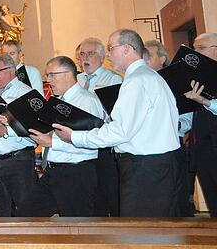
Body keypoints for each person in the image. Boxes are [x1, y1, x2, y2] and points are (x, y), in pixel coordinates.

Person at [53, 29, 180, 217]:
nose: (109, 55)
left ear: (127, 49)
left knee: (141, 232)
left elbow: (120, 131)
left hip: (145, 167)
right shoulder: (150, 76)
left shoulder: (137, 81)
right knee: (157, 229)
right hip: (160, 163)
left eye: (111, 48)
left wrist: (75, 136)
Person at [21, 56, 105, 217]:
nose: (48, 80)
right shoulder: (58, 101)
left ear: (68, 74)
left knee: (77, 226)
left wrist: (52, 142)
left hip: (76, 174)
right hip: (54, 172)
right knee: (26, 215)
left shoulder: (86, 101)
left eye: (52, 75)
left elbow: (91, 142)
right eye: (47, 76)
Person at [0, 53, 36, 217]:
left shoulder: (25, 94)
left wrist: (6, 132)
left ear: (12, 70)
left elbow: (35, 130)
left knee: (26, 212)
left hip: (18, 161)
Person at [144, 40, 194, 217]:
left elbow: (187, 118)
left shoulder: (176, 81)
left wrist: (165, 122)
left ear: (163, 58)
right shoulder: (139, 82)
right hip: (147, 150)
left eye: (148, 56)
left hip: (172, 145)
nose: (144, 60)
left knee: (177, 196)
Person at [76, 37, 122, 217]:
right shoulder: (75, 79)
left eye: (90, 54)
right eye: (81, 54)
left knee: (109, 192)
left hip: (103, 145)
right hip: (80, 143)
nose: (84, 58)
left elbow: (114, 111)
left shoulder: (113, 78)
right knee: (90, 195)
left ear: (102, 57)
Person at [184, 32, 217, 216]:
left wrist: (206, 102)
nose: (196, 53)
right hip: (203, 150)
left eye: (201, 48)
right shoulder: (197, 77)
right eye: (194, 49)